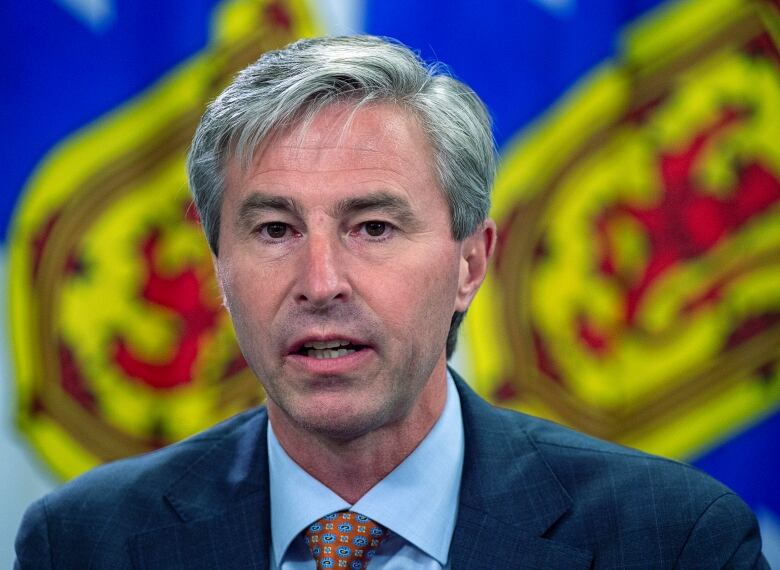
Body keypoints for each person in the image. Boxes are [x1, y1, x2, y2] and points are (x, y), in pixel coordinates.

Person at [15, 35, 768, 570]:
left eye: (372, 227)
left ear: (471, 263)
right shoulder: (86, 543)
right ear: (219, 269)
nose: (320, 281)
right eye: (274, 229)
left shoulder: (673, 542)